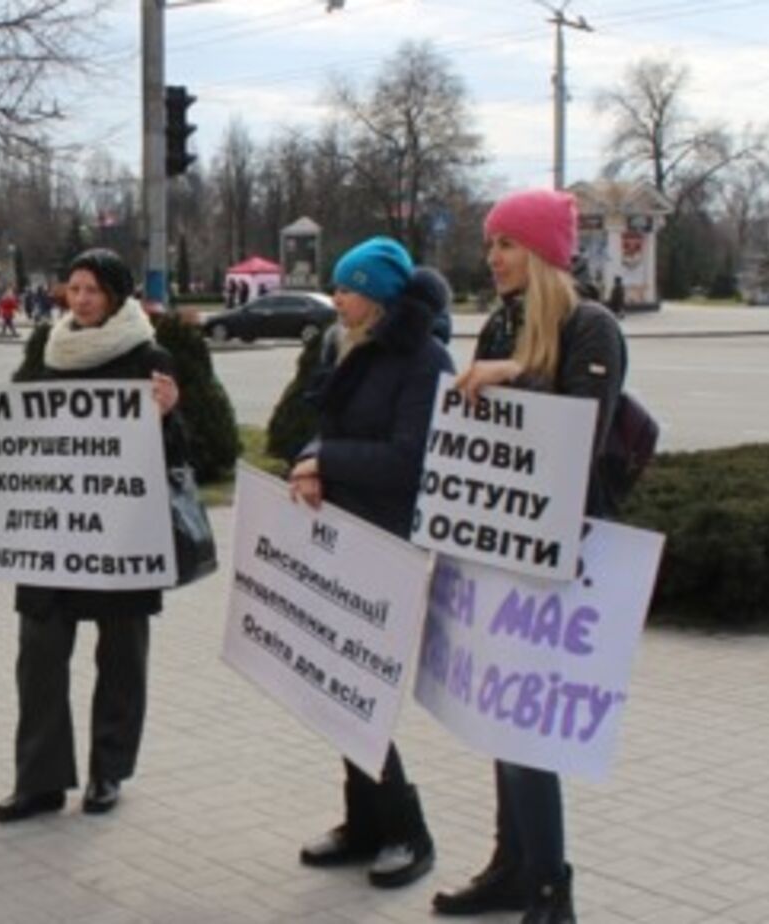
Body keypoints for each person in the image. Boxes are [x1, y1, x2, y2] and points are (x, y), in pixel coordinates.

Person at [432, 189, 626, 924]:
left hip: (559, 553)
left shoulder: (590, 328)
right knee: (494, 718)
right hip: (493, 544)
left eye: (507, 244)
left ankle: (550, 885)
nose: (494, 258)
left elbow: (585, 431)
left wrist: (515, 375)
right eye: (491, 244)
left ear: (543, 253)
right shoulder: (501, 325)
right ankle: (512, 864)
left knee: (524, 725)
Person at [0, 248, 184, 824]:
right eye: (73, 288)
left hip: (123, 534)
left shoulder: (148, 356)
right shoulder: (46, 350)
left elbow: (179, 457)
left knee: (121, 656)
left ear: (117, 297)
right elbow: (17, 427)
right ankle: (40, 780)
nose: (79, 300)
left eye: (92, 290)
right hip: (53, 533)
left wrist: (170, 415)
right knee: (39, 655)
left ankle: (109, 771)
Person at [286, 239, 451, 888]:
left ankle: (409, 833)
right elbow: (320, 424)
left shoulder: (424, 359)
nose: (338, 298)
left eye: (348, 288)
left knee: (363, 688)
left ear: (378, 296)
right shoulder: (344, 346)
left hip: (386, 541)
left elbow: (412, 459)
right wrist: (308, 460)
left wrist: (326, 463)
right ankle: (362, 823)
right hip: (337, 532)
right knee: (334, 684)